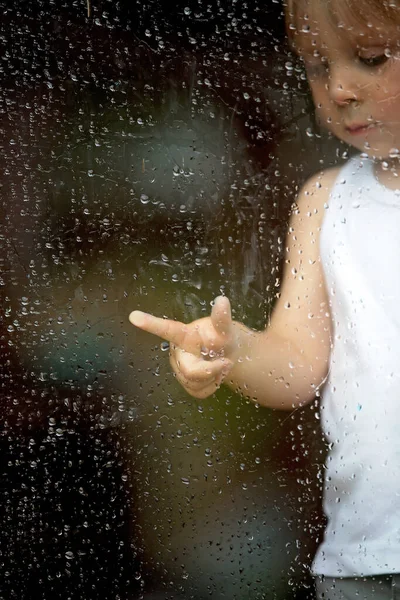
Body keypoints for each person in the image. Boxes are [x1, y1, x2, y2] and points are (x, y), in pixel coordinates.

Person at [129, 0, 400, 597]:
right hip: (367, 553)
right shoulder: (327, 203)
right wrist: (232, 351)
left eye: (372, 57)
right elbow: (297, 365)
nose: (339, 88)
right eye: (315, 65)